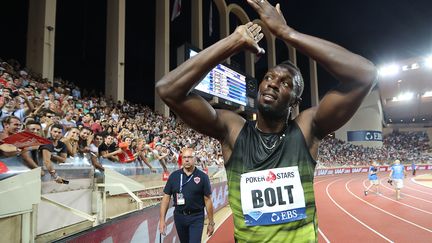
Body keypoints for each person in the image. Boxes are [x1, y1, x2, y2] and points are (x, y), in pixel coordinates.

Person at [156, 0, 376, 241]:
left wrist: (286, 33)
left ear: (294, 101)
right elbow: (167, 89)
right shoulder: (233, 129)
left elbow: (365, 75)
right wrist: (232, 42)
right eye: (269, 76)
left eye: (285, 83)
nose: (273, 82)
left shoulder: (307, 129)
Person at [159, 148, 214, 243]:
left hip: (196, 217)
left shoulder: (203, 177)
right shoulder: (174, 176)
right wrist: (162, 220)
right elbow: (166, 199)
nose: (187, 160)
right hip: (179, 217)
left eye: (189, 157)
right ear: (181, 159)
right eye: (184, 157)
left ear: (195, 159)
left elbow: (207, 200)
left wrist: (211, 222)